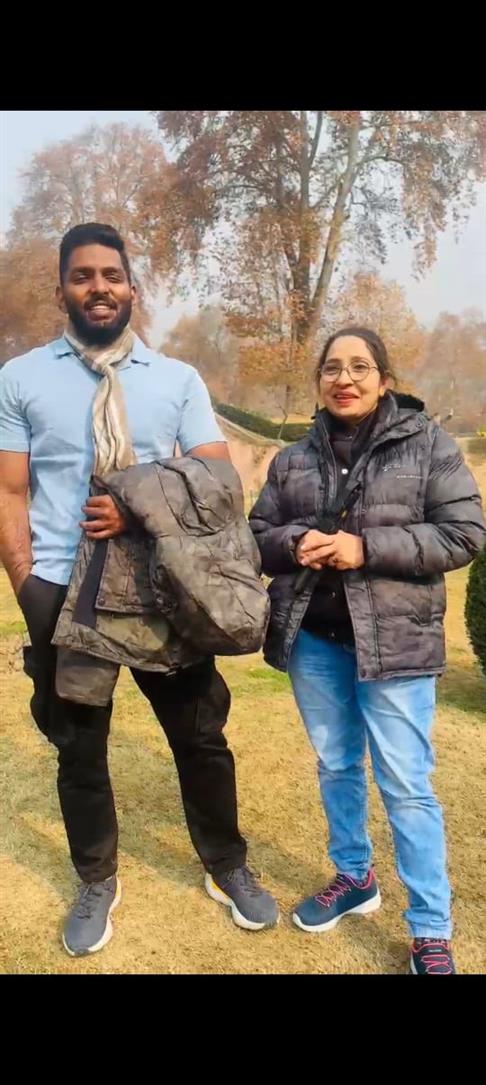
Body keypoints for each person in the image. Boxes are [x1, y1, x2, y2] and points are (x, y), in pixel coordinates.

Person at [0, 222, 278, 957]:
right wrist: (27, 584)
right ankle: (96, 877)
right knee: (78, 747)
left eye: (111, 275)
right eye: (83, 275)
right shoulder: (20, 378)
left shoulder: (176, 379)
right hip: (64, 589)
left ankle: (227, 862)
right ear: (62, 288)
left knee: (200, 736)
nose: (99, 287)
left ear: (132, 287)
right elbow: (9, 490)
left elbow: (218, 480)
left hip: (162, 589)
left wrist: (136, 505)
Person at [249, 326, 485, 975]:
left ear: (384, 380)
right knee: (336, 765)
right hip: (315, 643)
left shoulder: (429, 444)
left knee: (406, 785)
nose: (344, 378)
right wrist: (294, 541)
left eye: (359, 366)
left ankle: (431, 929)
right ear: (319, 380)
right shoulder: (293, 458)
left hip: (398, 646)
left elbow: (464, 532)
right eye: (332, 367)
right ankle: (354, 877)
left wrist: (365, 548)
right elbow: (256, 533)